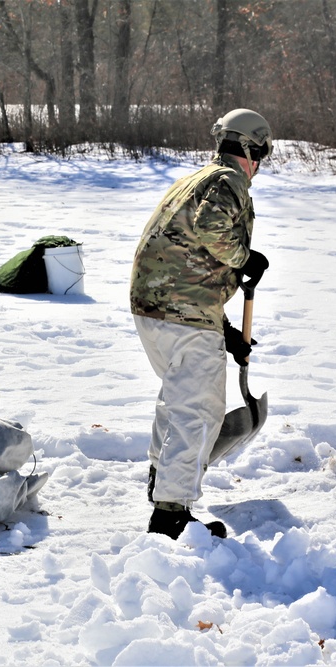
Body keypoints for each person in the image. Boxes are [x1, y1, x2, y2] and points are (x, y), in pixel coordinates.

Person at [130, 108, 272, 540]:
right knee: (200, 412)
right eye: (260, 154)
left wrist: (225, 330)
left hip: (155, 308)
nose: (259, 165)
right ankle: (171, 515)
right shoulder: (228, 181)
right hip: (183, 314)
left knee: (176, 398)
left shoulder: (193, 180)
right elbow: (212, 231)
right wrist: (246, 258)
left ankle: (162, 479)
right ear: (249, 148)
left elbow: (186, 259)